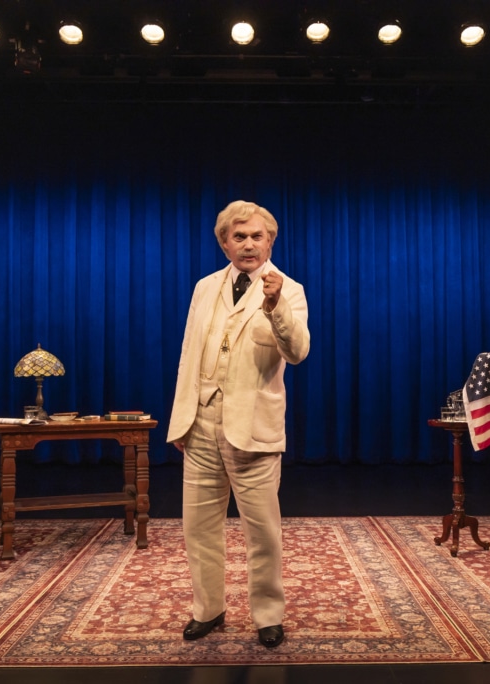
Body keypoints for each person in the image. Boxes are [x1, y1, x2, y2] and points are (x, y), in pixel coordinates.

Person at [167, 200, 311, 648]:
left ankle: (268, 615)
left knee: (263, 532)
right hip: (201, 424)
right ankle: (207, 610)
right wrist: (181, 421)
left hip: (252, 429)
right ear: (224, 243)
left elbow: (297, 351)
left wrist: (274, 305)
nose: (248, 244)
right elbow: (189, 355)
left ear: (271, 241)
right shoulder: (205, 287)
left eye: (257, 236)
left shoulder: (289, 290)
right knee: (199, 529)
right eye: (239, 236)